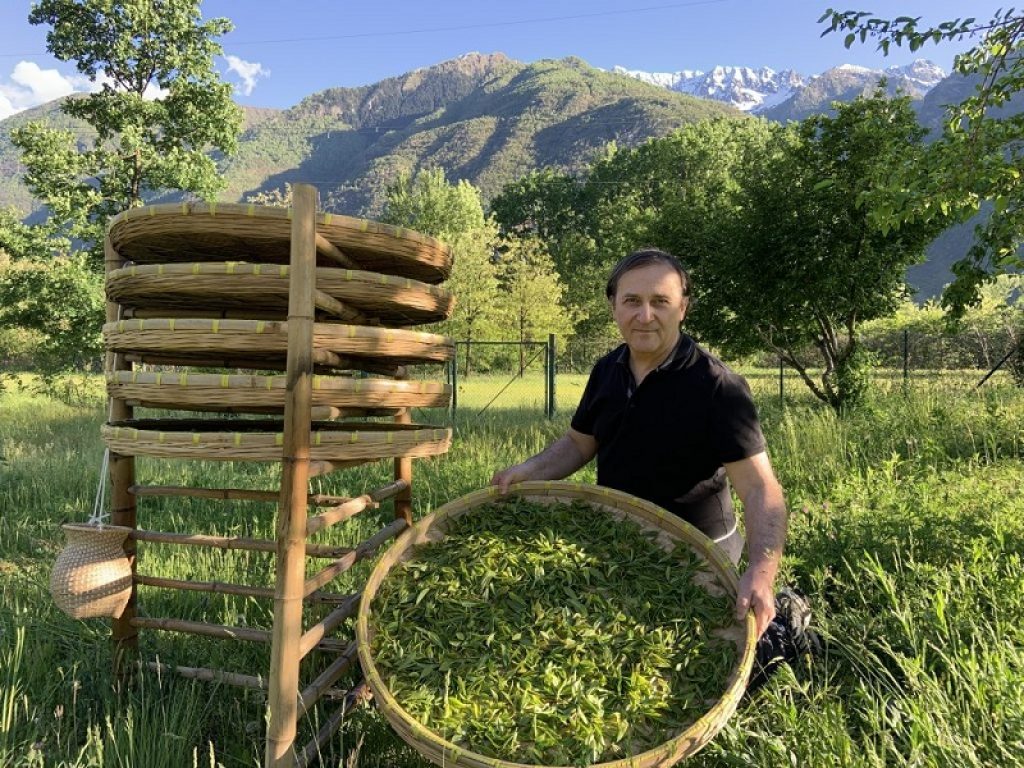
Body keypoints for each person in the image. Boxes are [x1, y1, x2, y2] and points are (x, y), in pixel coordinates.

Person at [491, 247, 817, 689]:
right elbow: (577, 444)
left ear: (683, 308)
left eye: (660, 302)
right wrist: (528, 470)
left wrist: (760, 573)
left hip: (701, 553)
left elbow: (762, 491)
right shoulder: (607, 371)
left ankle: (784, 626)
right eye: (632, 301)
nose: (645, 315)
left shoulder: (717, 387)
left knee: (698, 677)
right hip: (622, 543)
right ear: (613, 306)